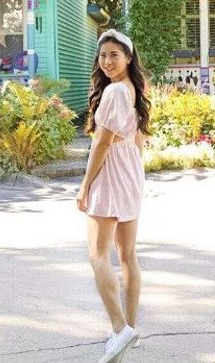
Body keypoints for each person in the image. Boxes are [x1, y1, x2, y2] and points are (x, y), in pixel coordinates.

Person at [77, 29, 150, 363]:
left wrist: (85, 186)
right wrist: (136, 174)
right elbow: (138, 138)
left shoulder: (114, 91)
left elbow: (103, 143)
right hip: (130, 170)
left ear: (128, 58)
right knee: (128, 255)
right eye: (103, 55)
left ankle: (120, 329)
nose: (107, 61)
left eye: (114, 55)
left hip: (110, 173)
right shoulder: (134, 88)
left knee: (98, 254)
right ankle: (129, 329)